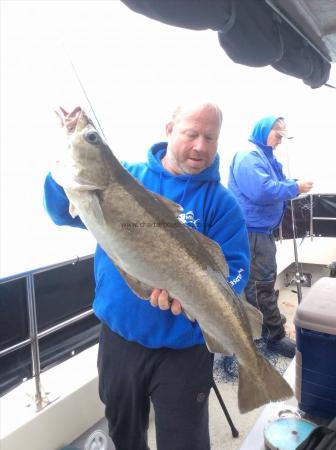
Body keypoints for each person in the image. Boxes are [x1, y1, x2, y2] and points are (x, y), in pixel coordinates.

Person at [43, 102, 250, 450]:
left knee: (183, 443)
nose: (200, 145)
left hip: (185, 349)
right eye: (191, 133)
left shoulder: (222, 203)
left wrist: (193, 298)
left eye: (210, 137)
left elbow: (237, 271)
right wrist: (66, 163)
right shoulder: (126, 176)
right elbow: (60, 211)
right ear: (169, 130)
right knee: (125, 434)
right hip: (119, 339)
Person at [228, 115, 313, 359]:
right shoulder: (248, 156)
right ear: (264, 131)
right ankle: (274, 337)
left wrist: (292, 183)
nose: (279, 142)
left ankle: (261, 330)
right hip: (252, 234)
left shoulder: (266, 157)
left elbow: (278, 181)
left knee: (258, 283)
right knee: (261, 285)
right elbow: (262, 190)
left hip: (262, 233)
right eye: (277, 136)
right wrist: (296, 188)